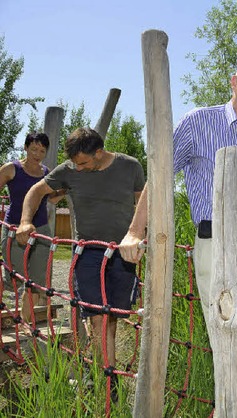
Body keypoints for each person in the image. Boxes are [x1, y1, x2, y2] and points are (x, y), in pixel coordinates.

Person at [119, 56, 237, 394]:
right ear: (234, 82)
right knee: (230, 341)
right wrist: (136, 230)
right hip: (221, 246)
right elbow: (160, 176)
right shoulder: (198, 123)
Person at [16, 127, 144, 399]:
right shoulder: (69, 170)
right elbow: (35, 191)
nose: (78, 167)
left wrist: (143, 237)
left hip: (122, 253)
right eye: (74, 162)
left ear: (99, 153)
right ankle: (108, 382)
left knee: (112, 319)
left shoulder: (130, 166)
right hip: (87, 251)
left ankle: (100, 366)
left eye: (83, 162)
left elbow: (142, 202)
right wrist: (26, 221)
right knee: (97, 317)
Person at [0, 132, 62, 326]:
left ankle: (26, 325)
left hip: (41, 229)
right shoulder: (12, 169)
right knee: (12, 276)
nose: (37, 154)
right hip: (15, 227)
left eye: (42, 150)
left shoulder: (46, 173)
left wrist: (65, 191)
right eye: (34, 149)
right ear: (25, 147)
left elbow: (51, 199)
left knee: (35, 281)